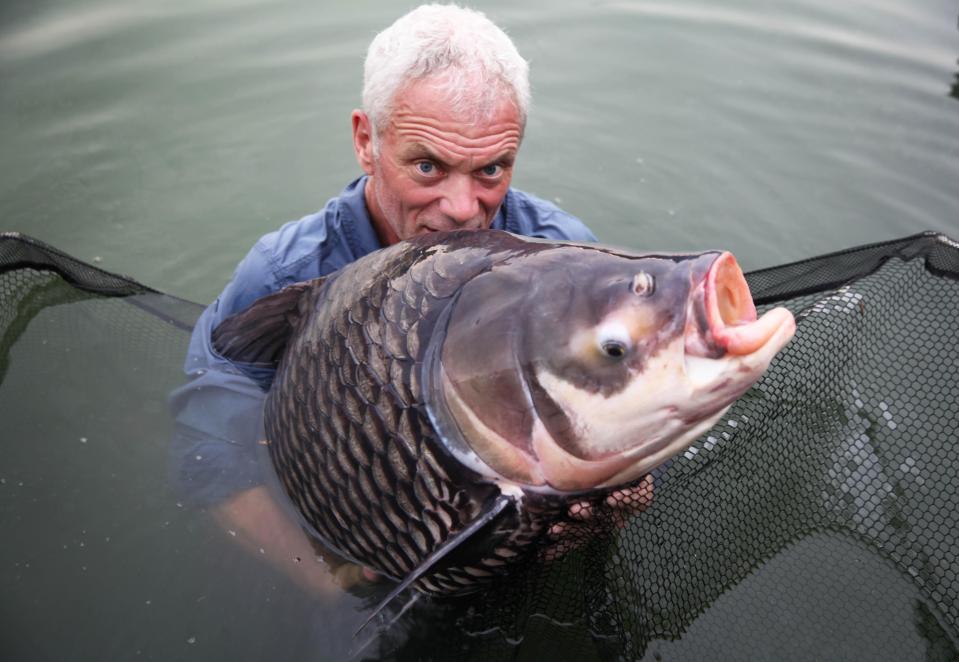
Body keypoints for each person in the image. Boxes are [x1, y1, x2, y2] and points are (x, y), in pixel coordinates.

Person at [170, 3, 645, 600]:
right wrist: (326, 580)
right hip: (353, 545)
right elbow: (207, 453)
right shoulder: (285, 272)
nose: (463, 208)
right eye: (428, 166)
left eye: (491, 170)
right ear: (367, 141)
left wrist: (624, 483)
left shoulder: (561, 256)